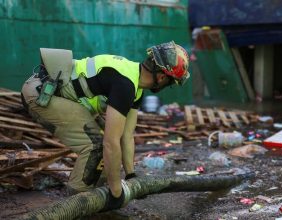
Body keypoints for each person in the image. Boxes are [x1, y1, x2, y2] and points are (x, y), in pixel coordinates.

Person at [21, 41, 190, 210]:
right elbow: (111, 142)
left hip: (52, 93)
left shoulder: (135, 86)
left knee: (102, 156)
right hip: (42, 93)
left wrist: (131, 175)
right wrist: (117, 191)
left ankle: (96, 200)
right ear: (162, 77)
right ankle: (73, 206)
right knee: (95, 146)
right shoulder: (125, 84)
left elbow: (127, 135)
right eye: (171, 82)